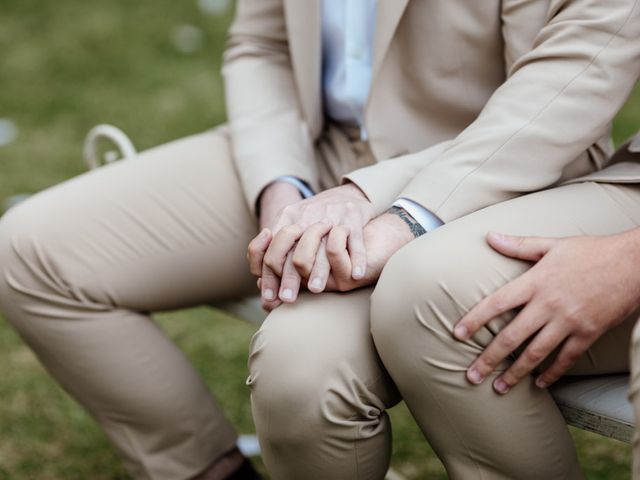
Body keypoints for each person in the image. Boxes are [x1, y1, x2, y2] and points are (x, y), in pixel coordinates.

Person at [0, 1, 637, 480]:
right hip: (315, 143)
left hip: (484, 170)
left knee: (301, 374)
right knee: (29, 252)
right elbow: (262, 42)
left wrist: (393, 210)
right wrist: (280, 185)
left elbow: (566, 84)